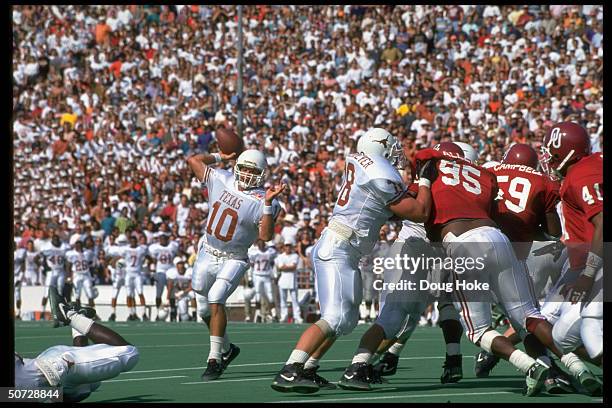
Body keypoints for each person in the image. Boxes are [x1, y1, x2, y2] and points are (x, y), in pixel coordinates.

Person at [271, 128, 435, 394]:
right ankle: (289, 370)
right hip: (339, 247)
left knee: (346, 320)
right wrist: (426, 182)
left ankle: (309, 367)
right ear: (381, 148)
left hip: (346, 248)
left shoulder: (360, 162)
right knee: (334, 317)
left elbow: (377, 208)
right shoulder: (382, 173)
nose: (396, 154)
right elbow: (420, 212)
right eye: (391, 147)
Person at [187, 148, 284, 381]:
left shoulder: (265, 199)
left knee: (216, 297)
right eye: (245, 168)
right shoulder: (222, 178)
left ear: (262, 173)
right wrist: (222, 157)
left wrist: (269, 205)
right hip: (207, 250)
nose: (249, 175)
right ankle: (228, 349)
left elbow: (266, 236)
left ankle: (214, 359)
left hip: (234, 256)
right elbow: (193, 160)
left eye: (254, 171)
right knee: (202, 307)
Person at [537, 122, 603, 395]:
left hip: (600, 262)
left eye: (553, 155)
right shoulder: (587, 167)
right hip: (593, 262)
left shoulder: (581, 174)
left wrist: (586, 275)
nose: (549, 161)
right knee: (562, 337)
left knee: (592, 330)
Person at [15, 287, 139, 402]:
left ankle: (70, 315)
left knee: (129, 354)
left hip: (56, 366)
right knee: (86, 387)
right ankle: (78, 318)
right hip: (49, 379)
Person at [107, 235, 149, 321]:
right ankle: (131, 313)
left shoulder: (141, 249)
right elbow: (116, 259)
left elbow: (148, 257)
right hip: (128, 275)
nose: (133, 242)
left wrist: (146, 263)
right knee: (129, 294)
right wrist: (113, 262)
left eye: (134, 241)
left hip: (137, 274)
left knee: (140, 293)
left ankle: (144, 314)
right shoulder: (125, 250)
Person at [148, 232, 180, 320]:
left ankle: (173, 311)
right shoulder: (155, 247)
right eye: (161, 239)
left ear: (167, 239)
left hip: (170, 270)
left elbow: (178, 255)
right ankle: (158, 311)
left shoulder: (172, 246)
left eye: (164, 239)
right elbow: (153, 260)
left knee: (172, 293)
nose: (163, 240)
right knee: (159, 293)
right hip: (160, 271)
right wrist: (152, 273)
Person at [41, 234, 70, 321]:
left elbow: (66, 262)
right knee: (47, 292)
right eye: (54, 239)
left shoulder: (64, 249)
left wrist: (68, 272)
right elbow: (40, 258)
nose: (56, 241)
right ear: (52, 240)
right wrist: (45, 268)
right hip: (51, 271)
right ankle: (42, 312)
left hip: (61, 271)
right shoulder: (47, 249)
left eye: (57, 239)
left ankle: (59, 312)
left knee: (60, 292)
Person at [248, 239, 278, 323]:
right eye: (259, 243)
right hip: (257, 275)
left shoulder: (270, 252)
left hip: (267, 275)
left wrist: (274, 275)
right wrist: (250, 278)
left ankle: (274, 314)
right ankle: (258, 315)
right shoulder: (254, 253)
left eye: (262, 242)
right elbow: (251, 266)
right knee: (258, 295)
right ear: (257, 244)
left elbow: (273, 264)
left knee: (270, 295)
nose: (261, 244)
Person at [66, 240, 98, 316]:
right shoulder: (71, 254)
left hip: (86, 275)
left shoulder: (88, 253)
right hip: (76, 275)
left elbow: (93, 264)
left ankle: (93, 313)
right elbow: (68, 266)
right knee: (77, 295)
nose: (78, 247)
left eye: (80, 246)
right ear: (75, 246)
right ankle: (78, 313)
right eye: (77, 246)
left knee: (90, 294)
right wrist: (69, 276)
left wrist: (93, 274)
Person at [275, 243, 303, 324]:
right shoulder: (280, 256)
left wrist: (286, 267)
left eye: (289, 246)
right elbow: (280, 267)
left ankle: (297, 316)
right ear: (284, 247)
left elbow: (293, 267)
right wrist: (288, 267)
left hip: (292, 281)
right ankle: (284, 316)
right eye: (286, 246)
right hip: (283, 281)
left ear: (291, 247)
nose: (288, 247)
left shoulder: (295, 256)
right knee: (283, 300)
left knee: (295, 300)